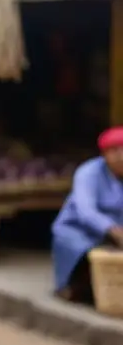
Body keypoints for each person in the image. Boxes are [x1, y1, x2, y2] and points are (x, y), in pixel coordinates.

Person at [52, 127, 123, 303]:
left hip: (117, 229)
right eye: (115, 151)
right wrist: (114, 231)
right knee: (83, 252)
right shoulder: (88, 173)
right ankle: (69, 286)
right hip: (78, 228)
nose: (121, 156)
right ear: (104, 154)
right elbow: (86, 211)